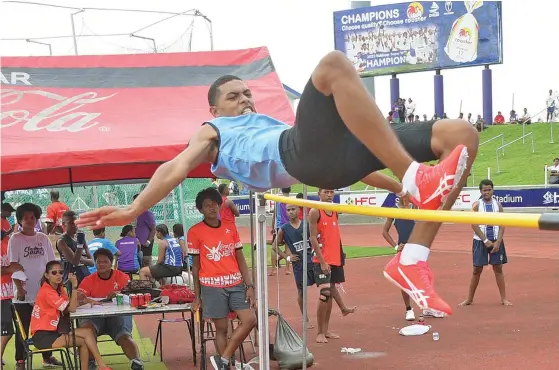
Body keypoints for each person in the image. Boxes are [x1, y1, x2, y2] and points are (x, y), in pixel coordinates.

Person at [78, 51, 480, 315]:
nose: (246, 101)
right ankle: (416, 177)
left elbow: (345, 163)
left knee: (462, 136)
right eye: (235, 96)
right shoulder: (212, 129)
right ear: (214, 107)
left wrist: (398, 189)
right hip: (297, 155)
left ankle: (412, 260)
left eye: (248, 94)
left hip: (330, 160)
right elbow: (176, 166)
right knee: (333, 66)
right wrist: (134, 208)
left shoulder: (267, 120)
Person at [188, 188, 256, 370]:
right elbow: (195, 267)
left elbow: (241, 258)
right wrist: (197, 295)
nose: (212, 208)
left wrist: (249, 285)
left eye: (215, 204)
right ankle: (227, 366)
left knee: (250, 319)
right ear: (200, 209)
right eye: (207, 205)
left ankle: (223, 359)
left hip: (236, 284)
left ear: (220, 205)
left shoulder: (230, 227)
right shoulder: (195, 232)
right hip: (211, 286)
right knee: (222, 329)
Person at [8, 203, 62, 368]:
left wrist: (53, 285)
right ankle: (20, 360)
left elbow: (51, 264)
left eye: (33, 217)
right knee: (23, 328)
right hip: (23, 293)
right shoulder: (15, 239)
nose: (30, 221)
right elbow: (14, 265)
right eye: (26, 218)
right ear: (20, 220)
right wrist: (19, 288)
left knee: (46, 325)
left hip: (44, 292)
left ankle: (47, 357)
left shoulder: (43, 238)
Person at [30, 262, 110, 370]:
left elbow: (70, 305)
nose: (58, 275)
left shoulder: (59, 288)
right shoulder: (47, 291)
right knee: (84, 341)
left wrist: (86, 301)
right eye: (54, 273)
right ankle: (102, 366)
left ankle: (102, 366)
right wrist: (74, 287)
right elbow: (71, 308)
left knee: (88, 332)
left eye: (61, 272)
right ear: (47, 275)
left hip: (55, 330)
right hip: (44, 335)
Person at [77, 248, 144, 370]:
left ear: (111, 262)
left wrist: (119, 294)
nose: (101, 264)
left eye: (105, 261)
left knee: (124, 336)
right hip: (94, 317)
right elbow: (79, 299)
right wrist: (81, 299)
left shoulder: (122, 277)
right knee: (87, 330)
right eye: (98, 262)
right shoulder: (88, 280)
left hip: (117, 316)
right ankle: (90, 362)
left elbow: (132, 295)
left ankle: (137, 362)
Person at [309, 189, 356, 343]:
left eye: (331, 192)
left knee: (329, 293)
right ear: (319, 193)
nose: (329, 195)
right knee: (325, 294)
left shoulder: (335, 210)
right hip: (322, 259)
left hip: (335, 258)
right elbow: (312, 238)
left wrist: (340, 254)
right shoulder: (315, 211)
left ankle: (326, 330)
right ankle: (319, 333)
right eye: (326, 192)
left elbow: (334, 234)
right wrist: (322, 260)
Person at [459, 179, 512, 307]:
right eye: (484, 190)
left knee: (498, 268)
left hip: (496, 241)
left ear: (493, 190)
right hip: (480, 241)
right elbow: (474, 224)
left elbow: (502, 223)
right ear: (480, 191)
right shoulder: (476, 205)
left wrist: (498, 241)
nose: (487, 192)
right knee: (477, 269)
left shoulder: (498, 205)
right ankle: (469, 299)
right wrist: (485, 240)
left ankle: (504, 298)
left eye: (489, 189)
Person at [272, 204, 315, 328]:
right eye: (288, 210)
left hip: (312, 262)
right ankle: (305, 319)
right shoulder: (284, 229)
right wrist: (287, 257)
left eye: (293, 209)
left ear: (298, 210)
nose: (290, 212)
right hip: (299, 265)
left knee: (325, 288)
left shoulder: (306, 224)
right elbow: (275, 246)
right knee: (302, 292)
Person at [382, 199, 417, 321]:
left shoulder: (416, 207)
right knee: (405, 280)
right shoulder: (394, 210)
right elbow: (384, 232)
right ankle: (408, 309)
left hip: (417, 249)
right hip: (404, 251)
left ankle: (426, 307)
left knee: (421, 278)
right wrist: (396, 247)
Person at [1, 208, 23, 367]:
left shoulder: (8, 244)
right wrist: (12, 268)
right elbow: (9, 268)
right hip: (2, 294)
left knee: (18, 329)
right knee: (7, 330)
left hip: (12, 293)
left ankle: (20, 359)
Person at [56, 211, 93, 286]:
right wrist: (80, 247)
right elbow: (75, 262)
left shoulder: (80, 237)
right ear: (64, 224)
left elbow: (92, 262)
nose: (75, 225)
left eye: (76, 222)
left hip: (85, 275)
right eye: (71, 223)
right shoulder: (62, 241)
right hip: (71, 279)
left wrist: (80, 259)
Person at [270, 187, 292, 276]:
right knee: (288, 248)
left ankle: (273, 269)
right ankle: (287, 268)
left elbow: (274, 214)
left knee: (274, 247)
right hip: (288, 226)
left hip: (279, 226)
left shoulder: (277, 200)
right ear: (290, 190)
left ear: (281, 190)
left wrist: (272, 226)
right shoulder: (291, 201)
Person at [133, 194, 155, 267]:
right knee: (138, 261)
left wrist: (148, 241)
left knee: (146, 260)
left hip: (145, 243)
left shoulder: (147, 214)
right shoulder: (133, 214)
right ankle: (142, 277)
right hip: (136, 243)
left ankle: (151, 277)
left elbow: (153, 229)